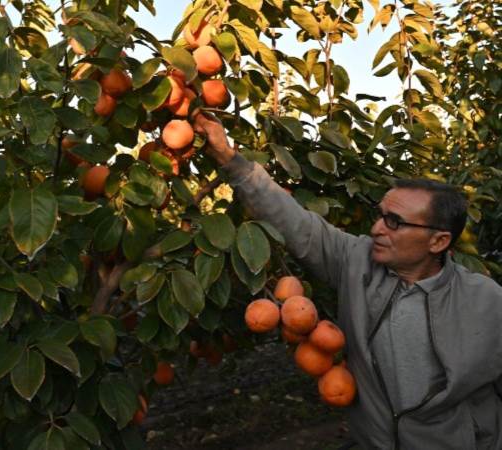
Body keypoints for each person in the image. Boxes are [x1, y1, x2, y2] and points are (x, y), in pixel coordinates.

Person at [192, 113, 502, 450]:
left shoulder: (487, 301)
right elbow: (298, 225)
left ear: (438, 242)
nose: (376, 228)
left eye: (394, 222)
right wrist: (229, 158)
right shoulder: (358, 263)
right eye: (380, 215)